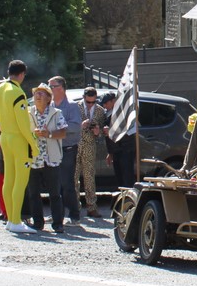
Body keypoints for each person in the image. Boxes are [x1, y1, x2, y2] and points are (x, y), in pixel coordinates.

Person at [0, 60, 39, 234]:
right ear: (22, 74)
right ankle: (16, 220)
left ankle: (10, 219)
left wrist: (3, 121)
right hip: (18, 139)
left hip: (5, 139)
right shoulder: (17, 92)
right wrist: (33, 144)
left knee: (8, 179)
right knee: (20, 181)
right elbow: (24, 125)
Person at [25, 83, 67, 232]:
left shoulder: (56, 113)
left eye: (42, 93)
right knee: (33, 193)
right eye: (36, 93)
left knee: (55, 194)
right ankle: (38, 223)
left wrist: (48, 134)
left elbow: (63, 133)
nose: (37, 95)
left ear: (49, 98)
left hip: (51, 158)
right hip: (34, 158)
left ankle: (58, 224)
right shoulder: (28, 113)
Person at [49, 76, 84, 225]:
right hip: (52, 148)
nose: (49, 89)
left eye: (52, 86)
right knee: (54, 183)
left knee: (67, 183)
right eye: (49, 86)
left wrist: (59, 128)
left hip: (67, 148)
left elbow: (77, 126)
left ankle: (74, 215)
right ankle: (58, 215)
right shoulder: (48, 106)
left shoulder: (72, 106)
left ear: (61, 88)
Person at [76, 86, 105, 217]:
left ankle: (91, 207)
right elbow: (68, 126)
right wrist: (80, 126)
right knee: (73, 177)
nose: (90, 105)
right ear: (83, 98)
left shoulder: (99, 111)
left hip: (90, 145)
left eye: (93, 102)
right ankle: (75, 206)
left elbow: (102, 133)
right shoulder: (75, 107)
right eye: (88, 102)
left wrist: (97, 132)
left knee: (89, 177)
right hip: (75, 144)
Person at [101, 91, 137, 188]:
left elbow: (129, 132)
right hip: (116, 150)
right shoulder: (107, 114)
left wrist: (112, 132)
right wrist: (110, 152)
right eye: (103, 103)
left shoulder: (124, 112)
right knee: (119, 177)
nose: (104, 106)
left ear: (113, 101)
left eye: (106, 103)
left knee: (127, 177)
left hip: (126, 149)